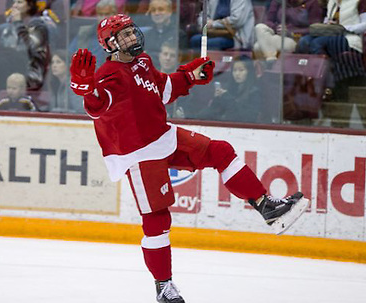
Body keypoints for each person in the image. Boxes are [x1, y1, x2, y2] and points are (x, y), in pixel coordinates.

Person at [69, 14, 309, 303]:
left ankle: (264, 205)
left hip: (164, 137)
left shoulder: (142, 62)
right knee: (157, 219)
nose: (133, 38)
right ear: (109, 44)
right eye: (125, 36)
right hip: (139, 153)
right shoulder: (109, 75)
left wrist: (190, 76)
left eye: (132, 32)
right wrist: (85, 87)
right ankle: (164, 286)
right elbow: (98, 107)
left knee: (220, 151)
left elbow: (163, 89)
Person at [295, 0, 366, 83]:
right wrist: (328, 24)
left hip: (349, 37)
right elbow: (328, 19)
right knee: (304, 41)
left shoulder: (361, 1)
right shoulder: (332, 2)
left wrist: (344, 28)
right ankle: (303, 75)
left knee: (317, 43)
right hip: (331, 33)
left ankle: (324, 77)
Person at [0, 0, 56, 97]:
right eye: (14, 2)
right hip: (8, 69)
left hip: (30, 71)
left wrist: (18, 23)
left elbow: (30, 49)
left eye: (19, 2)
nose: (15, 6)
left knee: (2, 59)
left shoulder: (39, 26)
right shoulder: (8, 28)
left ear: (29, 6)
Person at [196, 55, 264, 123]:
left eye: (241, 70)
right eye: (234, 70)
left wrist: (227, 98)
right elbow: (213, 113)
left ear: (249, 72)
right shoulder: (230, 90)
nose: (237, 74)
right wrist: (217, 99)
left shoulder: (255, 93)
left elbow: (246, 117)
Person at [254, 0, 323, 62]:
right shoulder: (278, 1)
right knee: (259, 27)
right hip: (277, 34)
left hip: (294, 39)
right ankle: (271, 59)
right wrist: (276, 28)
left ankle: (268, 66)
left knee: (257, 47)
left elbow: (315, 28)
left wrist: (290, 31)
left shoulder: (312, 2)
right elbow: (268, 21)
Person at [189, 0, 256, 50]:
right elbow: (202, 15)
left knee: (212, 43)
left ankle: (211, 67)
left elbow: (237, 21)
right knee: (195, 40)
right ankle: (197, 66)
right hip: (213, 33)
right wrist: (204, 22)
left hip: (234, 36)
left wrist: (213, 24)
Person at [142, 0, 188, 66]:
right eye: (153, 10)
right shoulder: (146, 36)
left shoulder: (179, 35)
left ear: (170, 12)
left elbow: (180, 60)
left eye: (161, 9)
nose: (156, 13)